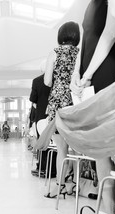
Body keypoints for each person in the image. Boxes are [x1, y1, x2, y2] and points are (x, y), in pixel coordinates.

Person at [69, 0, 115, 214]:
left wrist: (86, 74)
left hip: (112, 69)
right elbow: (84, 41)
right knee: (100, 149)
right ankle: (109, 210)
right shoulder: (88, 4)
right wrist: (76, 73)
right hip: (90, 77)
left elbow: (110, 33)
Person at [43, 21, 80, 198]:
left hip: (58, 102)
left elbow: (47, 81)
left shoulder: (55, 52)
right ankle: (74, 184)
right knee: (78, 149)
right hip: (77, 101)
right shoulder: (81, 52)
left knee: (61, 149)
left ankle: (60, 186)